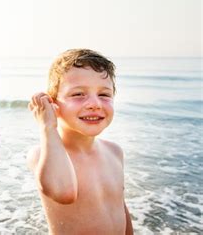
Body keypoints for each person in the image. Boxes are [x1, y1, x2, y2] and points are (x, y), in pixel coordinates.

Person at [27, 49, 133, 234]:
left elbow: (120, 208)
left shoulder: (115, 152)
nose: (95, 103)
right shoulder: (42, 154)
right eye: (78, 94)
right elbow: (63, 192)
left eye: (104, 95)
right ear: (53, 103)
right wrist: (47, 127)